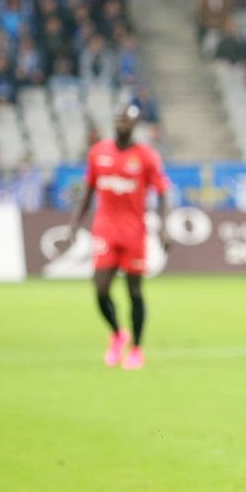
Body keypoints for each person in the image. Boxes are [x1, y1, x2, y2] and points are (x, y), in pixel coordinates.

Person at [59, 106, 169, 369]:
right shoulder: (98, 153)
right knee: (100, 288)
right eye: (119, 119)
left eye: (128, 121)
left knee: (134, 292)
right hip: (105, 230)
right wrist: (74, 224)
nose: (123, 124)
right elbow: (88, 192)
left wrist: (164, 228)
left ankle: (137, 349)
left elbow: (163, 193)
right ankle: (118, 333)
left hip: (134, 233)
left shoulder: (146, 157)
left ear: (136, 125)